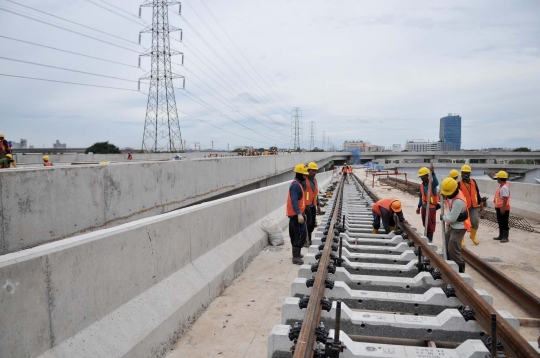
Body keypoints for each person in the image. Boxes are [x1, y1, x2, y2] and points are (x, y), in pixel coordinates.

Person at [440, 178, 471, 273]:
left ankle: (460, 270)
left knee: (452, 249)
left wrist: (443, 217)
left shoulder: (458, 201)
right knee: (446, 245)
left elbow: (452, 218)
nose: (446, 195)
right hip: (452, 225)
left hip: (459, 227)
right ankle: (450, 267)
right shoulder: (452, 194)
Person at [287, 163, 308, 264]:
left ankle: (297, 253)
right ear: (299, 174)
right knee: (297, 235)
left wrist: (303, 213)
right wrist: (299, 214)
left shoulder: (298, 184)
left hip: (299, 213)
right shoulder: (295, 185)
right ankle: (296, 257)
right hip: (296, 215)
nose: (306, 176)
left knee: (300, 234)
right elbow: (294, 201)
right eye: (304, 174)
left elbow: (301, 201)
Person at [458, 165, 483, 245]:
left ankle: (473, 236)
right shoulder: (459, 184)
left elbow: (477, 192)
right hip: (464, 208)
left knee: (475, 222)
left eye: (467, 173)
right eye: (464, 173)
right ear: (461, 173)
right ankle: (461, 239)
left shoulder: (473, 182)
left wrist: (481, 202)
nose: (466, 175)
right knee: (463, 224)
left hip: (473, 206)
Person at [416, 164, 439, 243]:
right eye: (421, 177)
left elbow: (437, 182)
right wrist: (418, 207)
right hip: (424, 207)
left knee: (430, 224)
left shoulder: (432, 184)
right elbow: (420, 197)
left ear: (427, 175)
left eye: (423, 176)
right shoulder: (421, 186)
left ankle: (430, 240)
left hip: (431, 207)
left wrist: (433, 173)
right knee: (425, 223)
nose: (422, 178)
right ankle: (426, 236)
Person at [304, 162, 322, 247]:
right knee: (308, 224)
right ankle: (306, 241)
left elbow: (316, 193)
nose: (314, 172)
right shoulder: (304, 181)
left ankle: (309, 240)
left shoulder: (314, 180)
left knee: (312, 225)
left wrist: (318, 204)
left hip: (313, 205)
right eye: (312, 171)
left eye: (315, 171)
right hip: (306, 206)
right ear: (308, 171)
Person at [493, 171, 510, 243]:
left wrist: (503, 209)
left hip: (504, 208)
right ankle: (501, 235)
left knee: (504, 222)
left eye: (497, 178)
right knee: (500, 222)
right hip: (499, 207)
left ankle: (505, 237)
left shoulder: (504, 187)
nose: (497, 179)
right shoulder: (501, 186)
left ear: (500, 179)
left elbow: (505, 198)